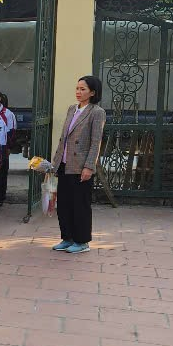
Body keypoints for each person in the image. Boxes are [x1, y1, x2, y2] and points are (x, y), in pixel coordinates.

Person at [51, 75, 107, 255]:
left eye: (83, 89)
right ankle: (67, 238)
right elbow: (64, 138)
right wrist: (55, 162)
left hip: (81, 165)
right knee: (64, 203)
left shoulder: (96, 112)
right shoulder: (71, 109)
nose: (78, 92)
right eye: (77, 88)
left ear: (92, 92)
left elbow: (95, 141)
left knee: (80, 205)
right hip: (65, 163)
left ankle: (82, 241)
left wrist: (89, 166)